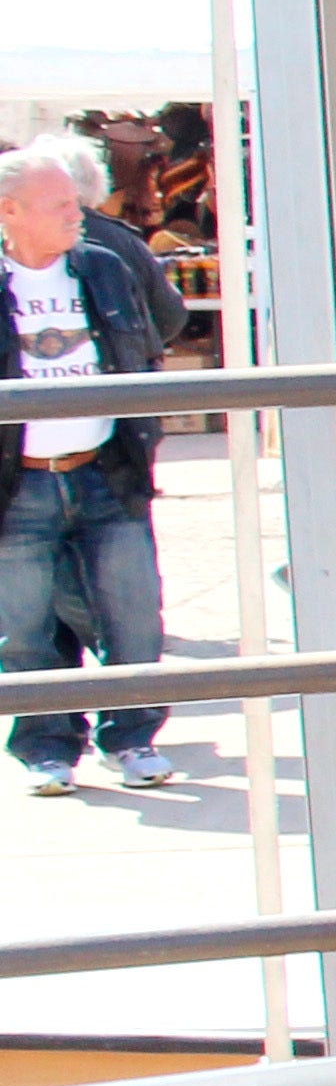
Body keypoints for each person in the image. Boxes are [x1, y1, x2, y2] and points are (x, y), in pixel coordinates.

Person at [3, 139, 178, 796]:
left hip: (106, 471)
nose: (78, 214)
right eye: (59, 206)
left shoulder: (103, 266)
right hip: (19, 481)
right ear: (10, 211)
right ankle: (47, 749)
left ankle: (132, 739)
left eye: (77, 202)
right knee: (23, 626)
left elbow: (151, 335)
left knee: (133, 613)